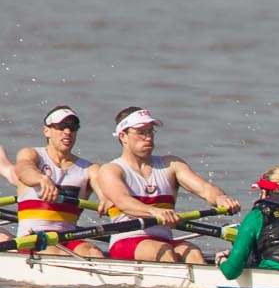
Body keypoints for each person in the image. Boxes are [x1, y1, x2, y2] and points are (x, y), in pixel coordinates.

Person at [87, 107, 240, 264]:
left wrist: (221, 197)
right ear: (123, 136)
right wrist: (154, 211)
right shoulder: (111, 170)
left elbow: (205, 189)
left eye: (151, 132)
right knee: (164, 252)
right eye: (141, 132)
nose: (148, 138)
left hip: (163, 240)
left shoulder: (171, 165)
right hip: (127, 241)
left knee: (193, 252)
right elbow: (123, 202)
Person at [12, 106, 104, 257]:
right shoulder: (32, 155)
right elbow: (24, 171)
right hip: (33, 238)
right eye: (61, 127)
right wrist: (42, 178)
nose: (67, 132)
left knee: (94, 252)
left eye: (73, 127)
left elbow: (103, 184)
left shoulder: (90, 168)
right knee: (60, 254)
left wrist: (105, 197)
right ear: (46, 131)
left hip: (69, 238)